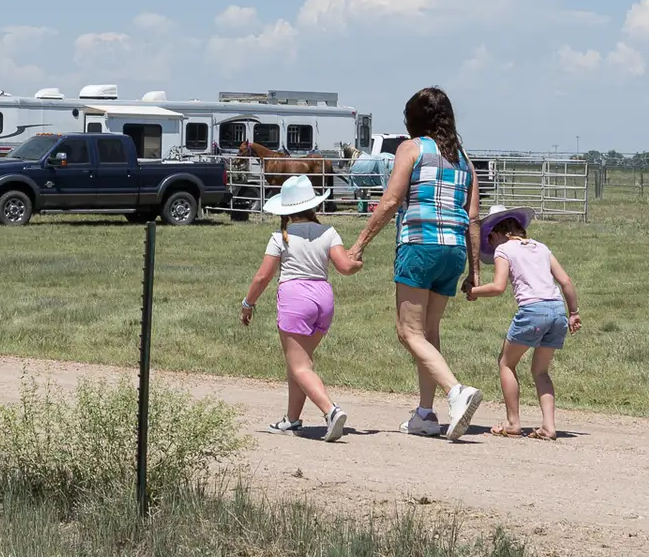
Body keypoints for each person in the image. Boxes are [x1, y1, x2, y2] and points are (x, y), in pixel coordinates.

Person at [346, 86, 483, 440]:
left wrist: (358, 245)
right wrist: (475, 272)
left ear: (415, 120)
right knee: (429, 333)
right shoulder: (464, 160)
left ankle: (456, 392)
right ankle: (424, 414)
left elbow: (392, 200)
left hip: (420, 245)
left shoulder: (411, 148)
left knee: (408, 332)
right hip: (453, 250)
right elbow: (473, 219)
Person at [240, 172, 363, 440]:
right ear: (313, 205)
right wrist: (357, 263)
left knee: (299, 366)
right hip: (323, 299)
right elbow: (345, 267)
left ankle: (331, 411)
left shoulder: (280, 236)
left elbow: (263, 277)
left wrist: (248, 303)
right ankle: (292, 420)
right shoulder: (328, 232)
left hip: (295, 298)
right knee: (299, 362)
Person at [467, 204, 581, 440]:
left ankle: (512, 423)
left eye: (489, 238)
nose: (490, 244)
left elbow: (498, 287)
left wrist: (474, 291)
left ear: (496, 233)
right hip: (557, 311)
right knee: (540, 371)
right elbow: (566, 281)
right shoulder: (541, 247)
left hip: (532, 311)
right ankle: (549, 427)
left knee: (506, 363)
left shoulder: (503, 249)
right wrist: (573, 312)